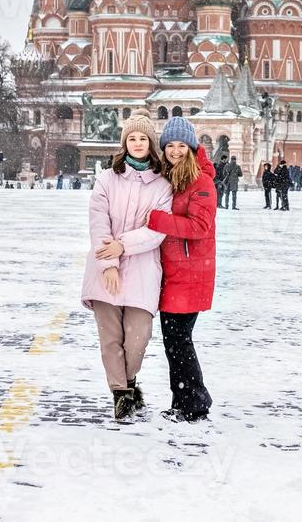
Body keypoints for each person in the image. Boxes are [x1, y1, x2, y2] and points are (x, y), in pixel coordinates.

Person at [83, 113, 173, 422]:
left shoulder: (162, 185)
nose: (137, 143)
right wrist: (109, 262)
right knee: (110, 338)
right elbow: (98, 221)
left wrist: (123, 245)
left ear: (150, 145)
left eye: (143, 139)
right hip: (104, 269)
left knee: (137, 338)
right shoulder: (107, 179)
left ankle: (130, 381)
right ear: (125, 143)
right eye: (132, 138)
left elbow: (158, 229)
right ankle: (121, 394)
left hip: (143, 269)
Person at [139, 116, 218, 423]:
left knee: (178, 340)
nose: (174, 150)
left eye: (180, 145)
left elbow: (199, 226)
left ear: (191, 147)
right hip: (172, 271)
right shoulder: (168, 178)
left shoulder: (201, 180)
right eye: (169, 145)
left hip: (190, 272)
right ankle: (182, 402)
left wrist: (157, 220)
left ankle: (195, 403)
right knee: (175, 341)